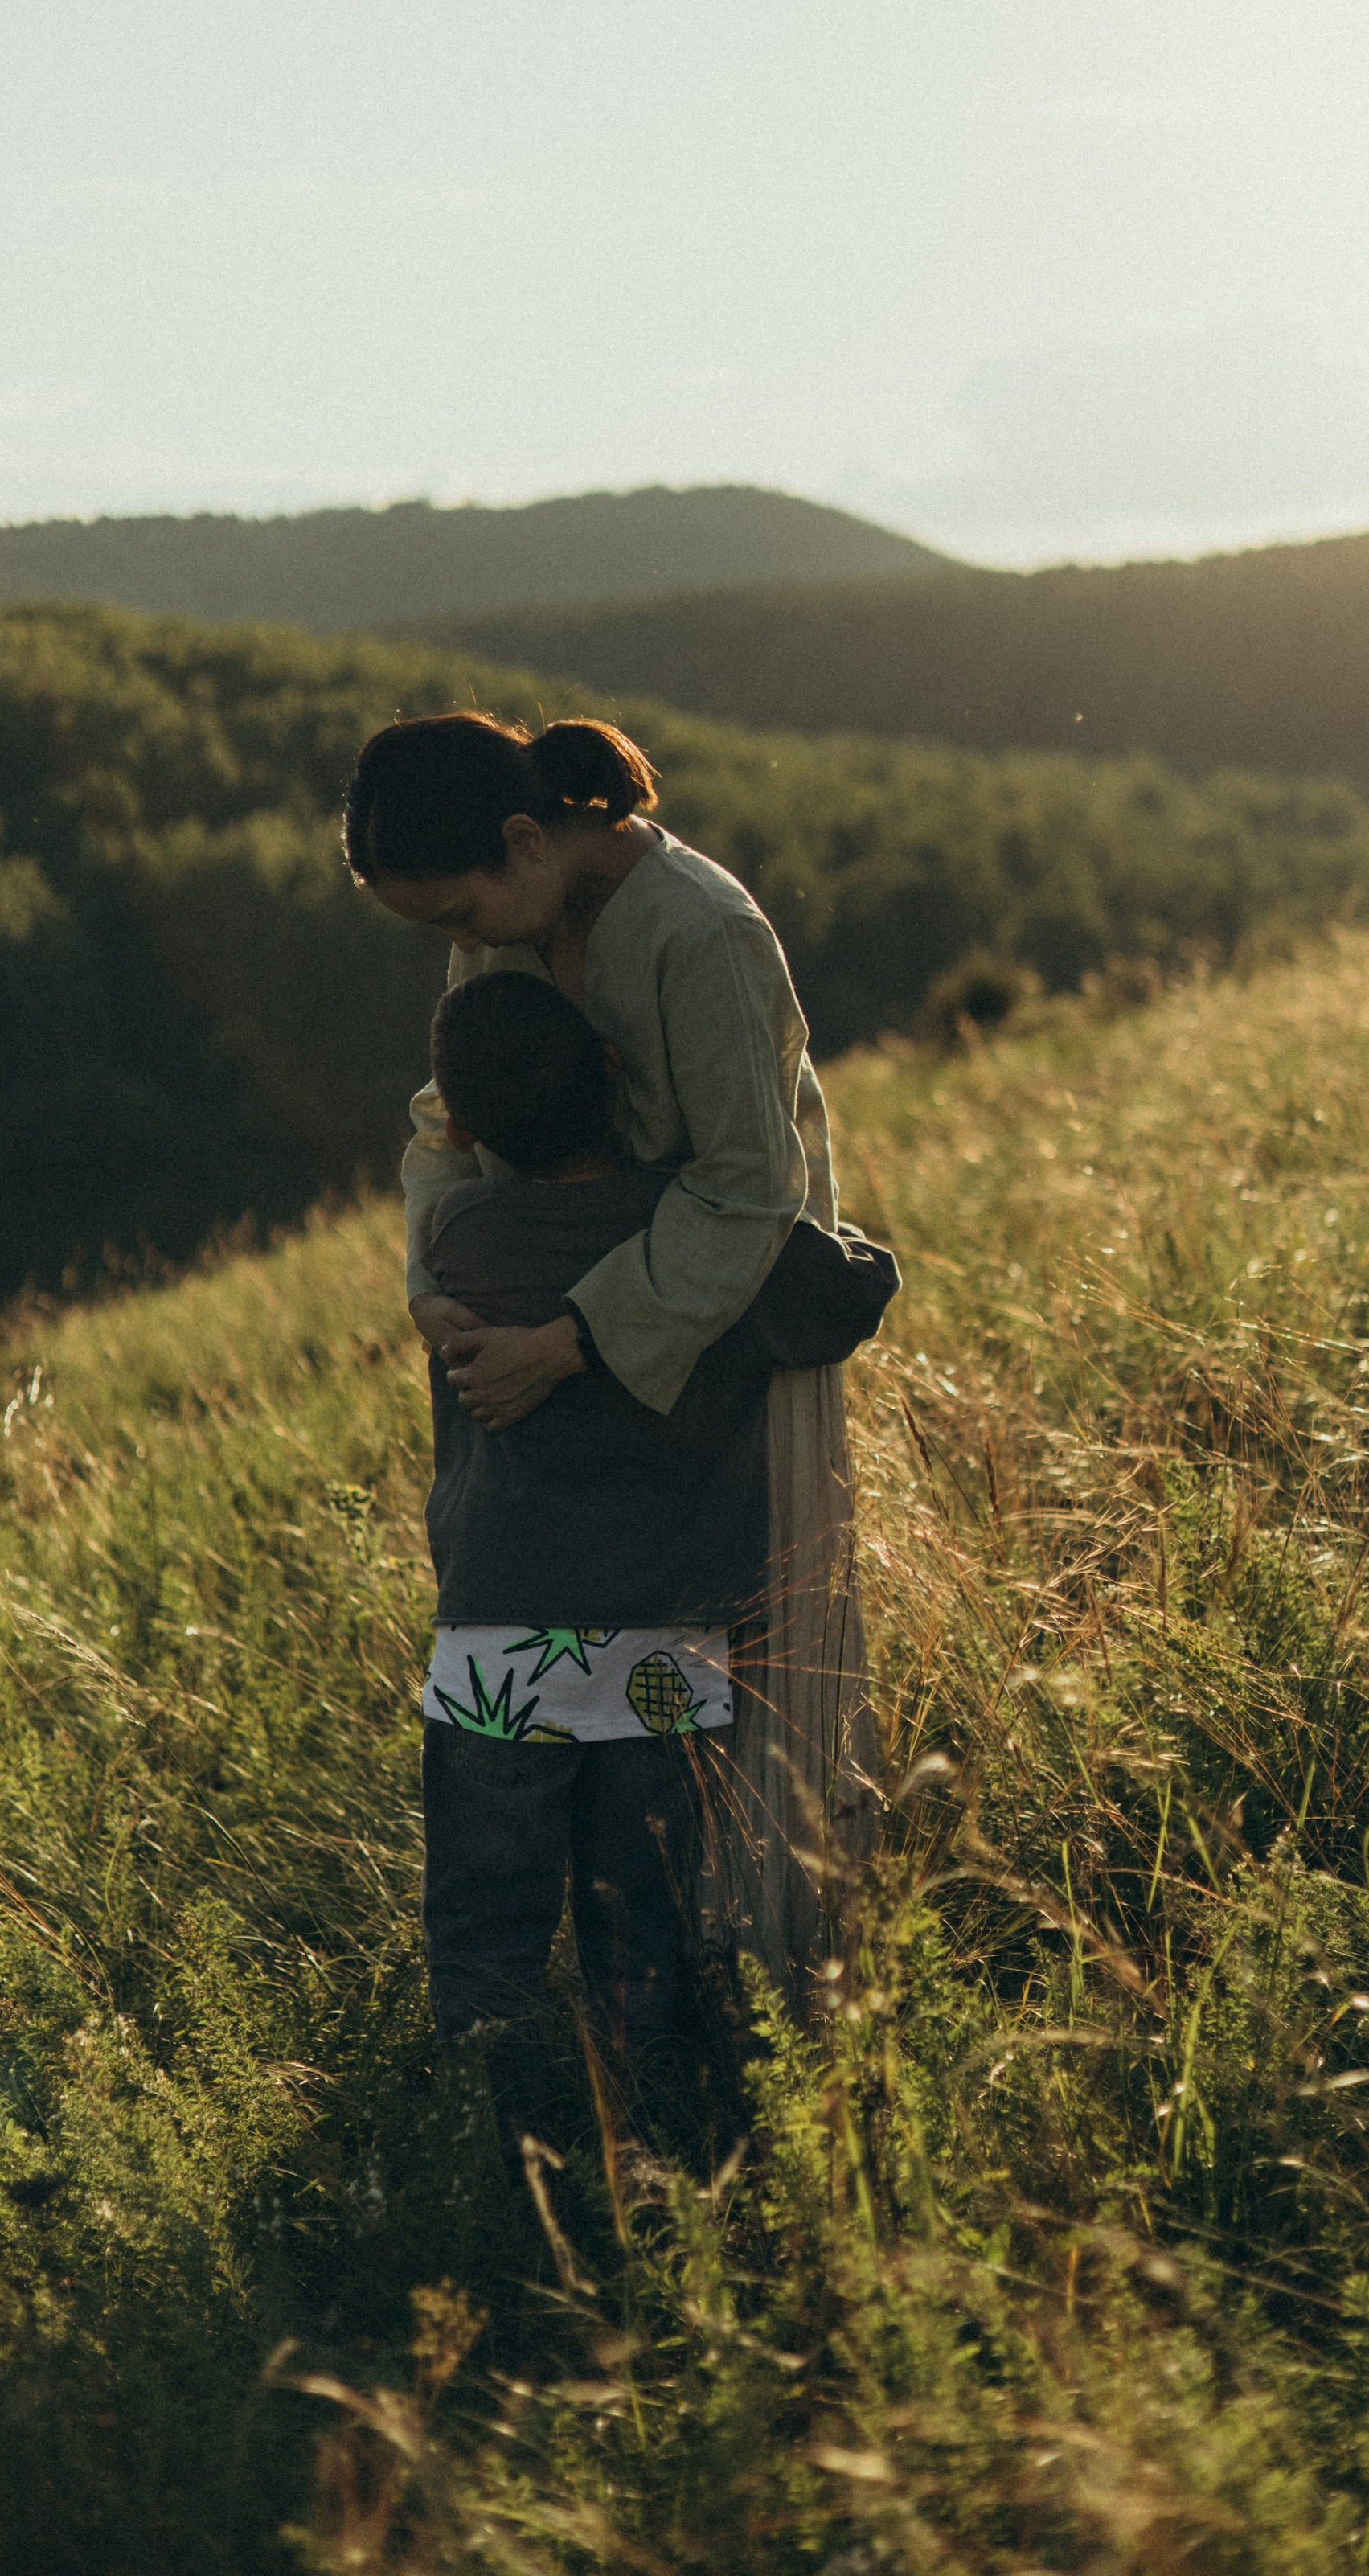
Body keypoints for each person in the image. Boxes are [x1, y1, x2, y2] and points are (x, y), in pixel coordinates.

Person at [342, 707, 881, 2001]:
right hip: (571, 1302)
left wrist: (572, 1341)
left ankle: (760, 1961)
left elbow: (754, 1186)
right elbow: (448, 1117)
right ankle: (634, 1972)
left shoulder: (702, 931)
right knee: (626, 1637)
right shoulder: (513, 922)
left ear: (530, 838)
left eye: (459, 913)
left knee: (740, 1623)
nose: (459, 948)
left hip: (723, 1311)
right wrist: (436, 1287)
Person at [414, 970, 896, 2133]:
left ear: (467, 1130)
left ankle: (492, 2125)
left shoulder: (464, 1237)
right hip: (662, 1638)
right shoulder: (696, 1244)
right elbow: (848, 1294)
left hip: (499, 1635)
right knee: (642, 1905)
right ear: (621, 1074)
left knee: (488, 1903)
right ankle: (649, 2117)